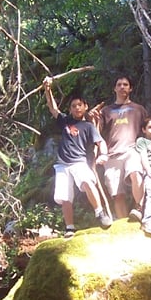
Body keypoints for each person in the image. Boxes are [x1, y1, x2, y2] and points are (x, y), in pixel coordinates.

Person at [43, 77, 114, 237]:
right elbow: (53, 109)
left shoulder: (88, 126)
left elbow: (100, 142)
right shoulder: (65, 122)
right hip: (62, 164)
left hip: (79, 162)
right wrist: (48, 90)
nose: (76, 108)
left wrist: (104, 155)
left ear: (85, 107)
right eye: (73, 106)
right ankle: (69, 227)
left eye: (79, 105)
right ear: (70, 109)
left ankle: (100, 213)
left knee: (88, 182)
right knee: (64, 196)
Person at [90, 75, 147, 220]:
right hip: (112, 155)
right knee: (117, 193)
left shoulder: (138, 109)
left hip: (132, 150)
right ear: (114, 88)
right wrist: (93, 118)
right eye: (119, 84)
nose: (122, 87)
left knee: (136, 173)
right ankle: (122, 224)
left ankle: (139, 208)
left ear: (131, 88)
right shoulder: (106, 111)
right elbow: (96, 132)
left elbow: (148, 130)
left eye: (126, 84)